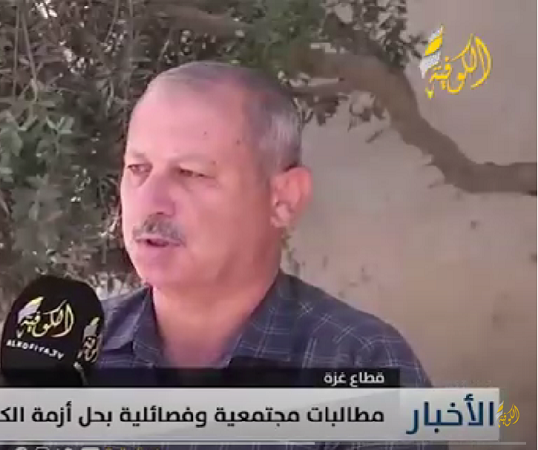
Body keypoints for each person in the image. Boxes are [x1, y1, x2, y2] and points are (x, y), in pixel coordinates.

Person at [101, 61, 444, 449]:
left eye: (191, 173)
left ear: (284, 199)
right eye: (138, 169)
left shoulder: (361, 368)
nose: (151, 201)